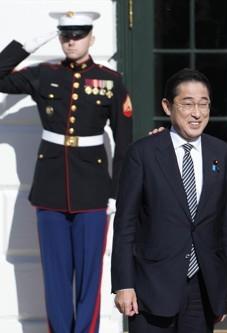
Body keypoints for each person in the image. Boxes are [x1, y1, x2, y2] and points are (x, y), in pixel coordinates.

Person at [0, 11, 133, 332]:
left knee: (89, 276)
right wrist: (26, 45)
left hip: (92, 190)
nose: (71, 41)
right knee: (56, 275)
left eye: (78, 35)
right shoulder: (43, 74)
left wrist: (116, 192)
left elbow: (125, 142)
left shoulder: (110, 81)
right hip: (50, 188)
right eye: (66, 36)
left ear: (91, 38)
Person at [111, 68, 227, 333]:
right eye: (188, 103)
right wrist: (124, 284)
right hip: (151, 287)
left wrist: (226, 289)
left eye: (204, 104)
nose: (197, 113)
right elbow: (125, 224)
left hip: (202, 288)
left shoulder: (223, 154)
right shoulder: (143, 153)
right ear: (167, 106)